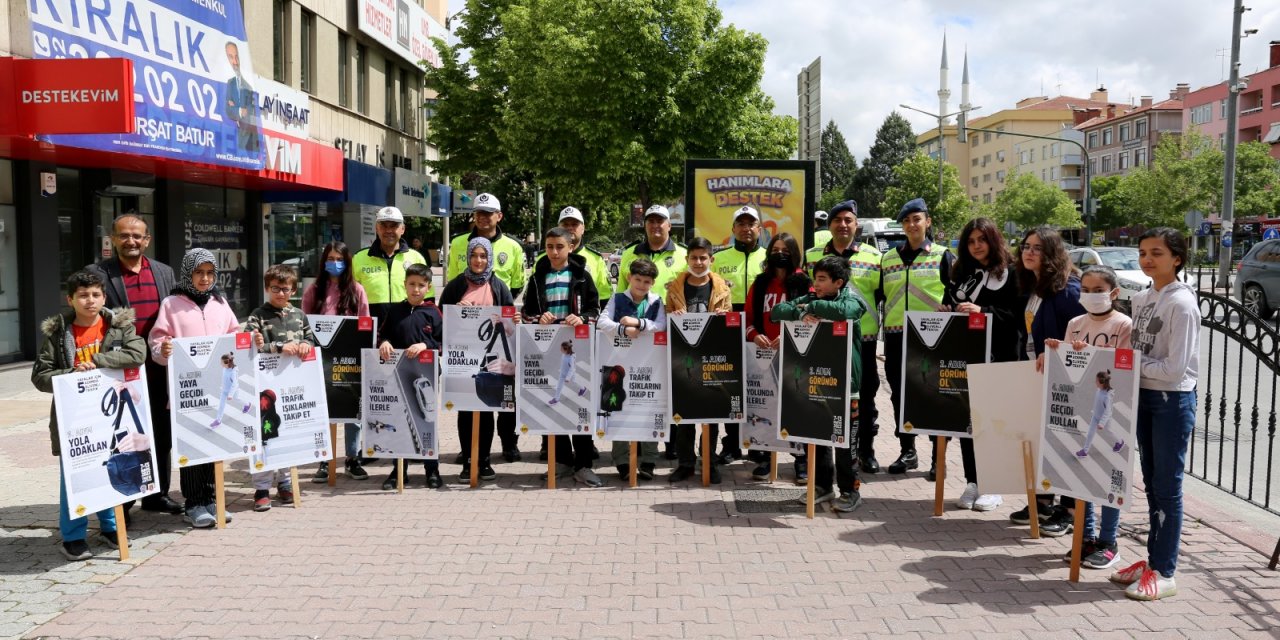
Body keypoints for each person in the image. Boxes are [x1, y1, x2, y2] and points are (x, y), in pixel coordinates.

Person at [1109, 228, 1200, 601]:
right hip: (1143, 396)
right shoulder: (1142, 297)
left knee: (1167, 488)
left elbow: (1175, 370)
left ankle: (1165, 572)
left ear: (1177, 258)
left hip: (1171, 401)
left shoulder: (1182, 303)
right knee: (1151, 483)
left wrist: (1131, 363)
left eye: (1157, 253)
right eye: (1143, 252)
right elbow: (1137, 350)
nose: (1147, 259)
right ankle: (1152, 561)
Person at [33, 270, 148, 560]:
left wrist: (97, 360)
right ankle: (73, 536)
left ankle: (111, 527)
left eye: (96, 294)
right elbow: (40, 376)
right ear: (70, 299)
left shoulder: (119, 326)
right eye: (83, 295)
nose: (90, 300)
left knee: (110, 466)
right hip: (74, 417)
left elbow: (138, 354)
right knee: (75, 476)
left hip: (112, 413)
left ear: (104, 297)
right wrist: (72, 372)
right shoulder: (58, 333)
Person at [85, 215, 183, 517]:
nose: (131, 241)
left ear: (147, 240)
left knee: (161, 434)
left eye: (137, 236)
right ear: (113, 239)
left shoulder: (164, 272)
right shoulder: (97, 273)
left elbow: (175, 312)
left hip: (159, 368)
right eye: (124, 235)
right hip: (119, 371)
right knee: (123, 435)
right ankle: (122, 502)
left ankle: (156, 495)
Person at [149, 249, 244, 529]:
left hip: (216, 387)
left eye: (210, 273)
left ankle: (212, 499)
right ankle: (194, 503)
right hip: (187, 391)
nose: (205, 278)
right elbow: (157, 340)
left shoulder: (220, 302)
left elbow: (234, 333)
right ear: (187, 274)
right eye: (198, 273)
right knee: (192, 445)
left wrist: (248, 341)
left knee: (214, 444)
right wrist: (163, 349)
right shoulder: (171, 304)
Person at [769, 256, 869, 513]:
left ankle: (850, 491)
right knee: (818, 435)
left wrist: (811, 307)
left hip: (845, 386)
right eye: (815, 279)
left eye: (822, 279)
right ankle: (823, 487)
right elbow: (777, 312)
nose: (816, 284)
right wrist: (801, 312)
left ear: (839, 282)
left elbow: (844, 312)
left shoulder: (852, 300)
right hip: (815, 381)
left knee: (846, 443)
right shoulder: (811, 298)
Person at [1007, 226, 1086, 537]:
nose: (1028, 252)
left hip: (1065, 382)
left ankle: (1069, 511)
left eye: (1037, 248)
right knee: (1042, 442)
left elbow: (1084, 336)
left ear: (1052, 252)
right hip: (1039, 375)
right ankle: (1042, 504)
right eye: (1026, 246)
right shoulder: (1034, 286)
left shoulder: (1068, 290)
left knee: (1066, 444)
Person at [946, 217, 1021, 512]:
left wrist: (982, 311)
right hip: (968, 354)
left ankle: (995, 485)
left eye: (982, 239)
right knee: (971, 421)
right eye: (971, 241)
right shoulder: (961, 272)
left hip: (1001, 356)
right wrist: (947, 310)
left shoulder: (1012, 273)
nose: (976, 246)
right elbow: (952, 303)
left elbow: (1017, 316)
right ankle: (973, 481)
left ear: (994, 240)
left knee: (996, 422)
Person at [877, 198, 955, 478]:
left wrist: (949, 309)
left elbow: (954, 293)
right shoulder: (888, 258)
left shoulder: (943, 255)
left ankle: (938, 457)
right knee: (900, 396)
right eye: (907, 221)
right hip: (896, 337)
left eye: (917, 219)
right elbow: (880, 294)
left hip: (931, 337)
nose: (912, 225)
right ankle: (907, 451)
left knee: (935, 396)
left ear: (927, 222)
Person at [805, 200, 883, 474]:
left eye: (848, 220)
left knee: (865, 398)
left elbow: (881, 296)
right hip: (822, 339)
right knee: (822, 396)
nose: (843, 225)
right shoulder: (812, 256)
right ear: (829, 226)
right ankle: (823, 459)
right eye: (837, 220)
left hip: (863, 341)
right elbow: (805, 293)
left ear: (856, 225)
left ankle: (866, 452)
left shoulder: (875, 256)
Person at [446, 193, 526, 460]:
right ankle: (469, 452)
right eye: (479, 212)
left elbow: (516, 287)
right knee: (467, 404)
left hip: (496, 347)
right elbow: (444, 310)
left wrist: (507, 317)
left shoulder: (510, 253)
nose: (478, 260)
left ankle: (506, 445)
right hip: (465, 350)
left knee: (501, 398)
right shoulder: (458, 248)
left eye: (488, 213)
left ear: (498, 216)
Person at [521, 227, 602, 487]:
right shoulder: (537, 277)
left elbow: (596, 310)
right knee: (552, 405)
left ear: (571, 247)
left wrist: (582, 319)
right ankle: (562, 462)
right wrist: (539, 319)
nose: (554, 252)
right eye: (549, 246)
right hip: (547, 350)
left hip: (578, 350)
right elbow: (526, 314)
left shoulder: (582, 276)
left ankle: (584, 465)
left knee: (579, 406)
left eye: (559, 247)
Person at [242, 265, 320, 511]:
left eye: (285, 289)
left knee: (287, 433)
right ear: (267, 288)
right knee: (264, 435)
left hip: (292, 386)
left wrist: (306, 345)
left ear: (293, 290)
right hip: (264, 388)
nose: (280, 293)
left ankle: (285, 483)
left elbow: (311, 340)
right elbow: (247, 347)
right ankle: (262, 488)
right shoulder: (257, 315)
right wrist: (276, 347)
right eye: (275, 288)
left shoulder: (299, 315)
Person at [439, 237, 515, 483]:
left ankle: (484, 460)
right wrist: (456, 311)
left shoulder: (499, 286)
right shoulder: (455, 285)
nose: (478, 260)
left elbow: (510, 319)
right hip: (463, 357)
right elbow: (441, 318)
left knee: (486, 410)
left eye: (483, 256)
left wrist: (507, 320)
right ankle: (468, 461)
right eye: (474, 255)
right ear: (468, 257)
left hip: (491, 358)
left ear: (489, 258)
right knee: (465, 410)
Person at [745, 232, 812, 483]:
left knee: (797, 408)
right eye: (775, 250)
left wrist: (790, 337)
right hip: (764, 356)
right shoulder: (761, 283)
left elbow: (812, 320)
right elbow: (748, 318)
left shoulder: (804, 283)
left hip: (796, 356)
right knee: (766, 407)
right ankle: (765, 458)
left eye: (785, 250)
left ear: (794, 254)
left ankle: (801, 459)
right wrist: (754, 336)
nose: (780, 254)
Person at [302, 241, 372, 482]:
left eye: (339, 259)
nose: (335, 263)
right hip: (322, 362)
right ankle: (325, 460)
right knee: (324, 411)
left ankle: (352, 459)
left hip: (350, 361)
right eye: (330, 259)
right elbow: (304, 324)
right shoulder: (314, 290)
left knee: (353, 410)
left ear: (347, 262)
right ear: (324, 262)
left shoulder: (357, 290)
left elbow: (365, 323)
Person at [665, 237, 731, 485]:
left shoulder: (722, 288)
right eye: (694, 257)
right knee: (684, 417)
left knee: (710, 416)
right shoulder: (675, 288)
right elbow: (666, 320)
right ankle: (685, 464)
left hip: (711, 360)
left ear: (711, 259)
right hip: (684, 360)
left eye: (703, 258)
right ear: (687, 259)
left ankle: (709, 463)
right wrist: (673, 315)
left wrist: (724, 317)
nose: (699, 262)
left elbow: (729, 322)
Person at [376, 263, 446, 489]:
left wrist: (425, 345)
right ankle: (398, 470)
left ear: (428, 287)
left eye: (421, 285)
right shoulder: (395, 311)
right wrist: (384, 343)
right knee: (399, 420)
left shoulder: (434, 313)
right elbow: (382, 335)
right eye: (412, 284)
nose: (416, 289)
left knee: (426, 419)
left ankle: (432, 469)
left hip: (426, 375)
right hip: (398, 374)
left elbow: (443, 342)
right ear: (404, 284)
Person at [598, 258, 667, 480]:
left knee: (648, 410)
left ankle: (648, 460)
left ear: (652, 283)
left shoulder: (657, 301)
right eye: (638, 279)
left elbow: (662, 325)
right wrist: (622, 329)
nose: (641, 285)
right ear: (629, 278)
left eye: (647, 281)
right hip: (618, 363)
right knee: (617, 408)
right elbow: (602, 322)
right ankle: (622, 461)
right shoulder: (617, 298)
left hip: (648, 365)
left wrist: (638, 323)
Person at [711, 206, 767, 465]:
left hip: (759, 331)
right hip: (728, 331)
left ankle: (757, 445)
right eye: (741, 224)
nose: (746, 228)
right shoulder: (719, 259)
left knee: (759, 388)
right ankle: (731, 444)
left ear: (759, 228)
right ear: (733, 229)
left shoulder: (768, 258)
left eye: (751, 223)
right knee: (730, 389)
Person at [351, 206, 430, 324]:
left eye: (393, 226)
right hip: (369, 326)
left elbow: (428, 297)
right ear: (376, 228)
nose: (388, 231)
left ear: (402, 229)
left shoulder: (416, 258)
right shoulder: (358, 258)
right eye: (383, 226)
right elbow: (350, 296)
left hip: (407, 326)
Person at [616, 205, 687, 296]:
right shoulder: (629, 253)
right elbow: (621, 292)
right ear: (645, 225)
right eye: (651, 221)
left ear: (669, 226)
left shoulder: (684, 255)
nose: (655, 225)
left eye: (659, 221)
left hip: (669, 305)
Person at [223, 41, 260, 153]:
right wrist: (240, 110)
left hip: (247, 142)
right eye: (230, 57)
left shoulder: (248, 87)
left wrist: (235, 109)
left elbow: (249, 113)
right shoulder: (229, 83)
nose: (235, 62)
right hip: (226, 140)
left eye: (236, 57)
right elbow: (226, 110)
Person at [210, 353, 249, 428]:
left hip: (233, 390)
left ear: (226, 363)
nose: (220, 363)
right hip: (224, 391)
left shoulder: (233, 372)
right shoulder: (225, 368)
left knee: (237, 399)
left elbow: (234, 384)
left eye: (221, 362)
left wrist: (230, 395)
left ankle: (247, 404)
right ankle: (218, 420)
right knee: (221, 405)